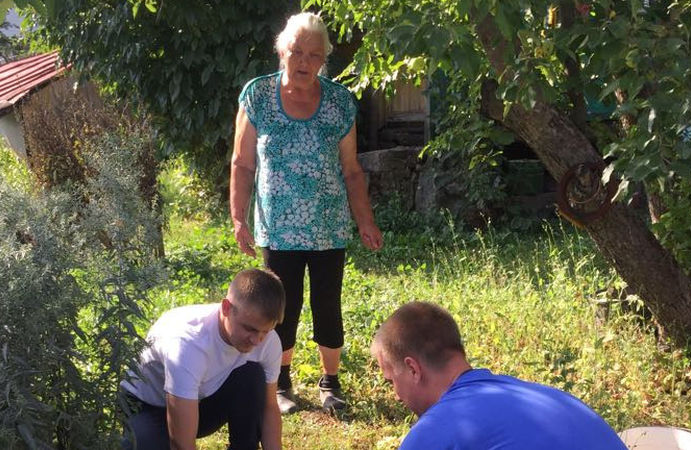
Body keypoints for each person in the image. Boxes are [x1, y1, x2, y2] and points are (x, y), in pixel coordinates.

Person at [230, 12, 383, 415]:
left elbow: (351, 169)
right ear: (282, 50)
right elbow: (242, 163)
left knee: (328, 303)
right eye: (297, 51)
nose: (303, 61)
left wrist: (364, 219)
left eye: (314, 54)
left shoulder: (338, 103)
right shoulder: (258, 96)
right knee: (283, 306)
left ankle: (330, 382)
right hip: (278, 228)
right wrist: (238, 218)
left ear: (323, 60)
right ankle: (280, 383)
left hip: (329, 227)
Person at [371, 302, 629, 450]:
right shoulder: (543, 396)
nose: (396, 395)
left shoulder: (439, 428)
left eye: (391, 380)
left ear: (413, 369)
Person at [120, 269, 285, 450]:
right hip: (145, 405)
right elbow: (181, 443)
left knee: (252, 375)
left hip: (198, 401)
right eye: (250, 329)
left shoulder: (268, 341)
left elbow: (269, 407)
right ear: (226, 308)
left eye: (265, 331)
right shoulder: (188, 344)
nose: (256, 340)